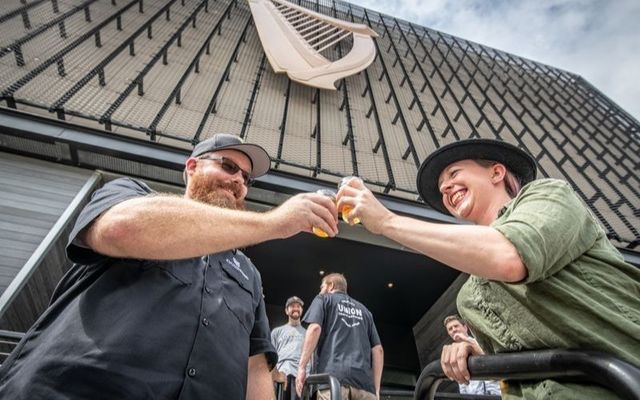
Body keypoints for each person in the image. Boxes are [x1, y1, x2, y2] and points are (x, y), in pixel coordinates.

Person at [0, 133, 340, 400]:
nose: (239, 181)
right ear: (191, 167)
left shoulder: (247, 274)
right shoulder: (132, 195)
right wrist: (275, 223)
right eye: (228, 166)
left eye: (247, 178)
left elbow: (254, 367)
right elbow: (121, 229)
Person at [336, 138, 640, 399]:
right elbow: (519, 362)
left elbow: (510, 256)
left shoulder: (548, 196)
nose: (446, 188)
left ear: (497, 172)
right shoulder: (471, 295)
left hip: (624, 379)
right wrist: (477, 354)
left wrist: (387, 222)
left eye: (454, 173)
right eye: (442, 188)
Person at [296, 273, 384, 400]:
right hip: (365, 389)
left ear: (330, 286)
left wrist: (302, 367)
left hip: (332, 384)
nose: (320, 291)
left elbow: (314, 328)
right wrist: (376, 390)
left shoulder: (323, 299)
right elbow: (378, 350)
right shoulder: (365, 311)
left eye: (321, 287)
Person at [443, 315, 500, 396]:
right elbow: (462, 386)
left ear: (465, 327)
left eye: (456, 326)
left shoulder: (481, 342)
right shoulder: (454, 356)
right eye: (450, 329)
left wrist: (470, 343)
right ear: (449, 334)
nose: (454, 329)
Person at [271, 296, 307, 400]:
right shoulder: (276, 332)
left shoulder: (308, 334)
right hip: (281, 377)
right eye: (292, 306)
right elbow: (271, 358)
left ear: (302, 310)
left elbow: (312, 358)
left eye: (298, 306)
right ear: (286, 311)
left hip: (301, 379)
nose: (296, 308)